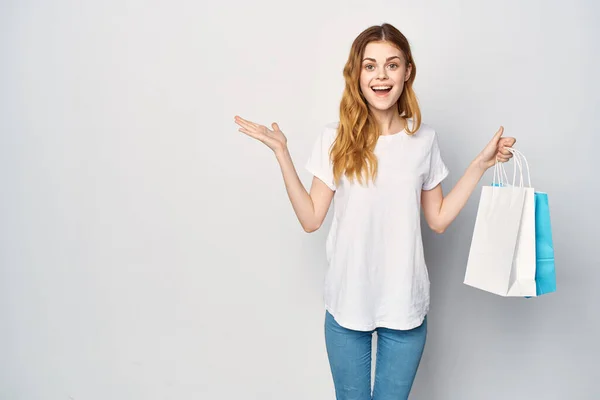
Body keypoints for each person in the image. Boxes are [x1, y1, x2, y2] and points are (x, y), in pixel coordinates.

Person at [234, 23, 515, 400]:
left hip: (405, 305)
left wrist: (480, 165)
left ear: (407, 73)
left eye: (391, 65)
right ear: (357, 73)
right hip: (348, 303)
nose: (381, 75)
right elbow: (311, 218)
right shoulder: (335, 138)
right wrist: (282, 153)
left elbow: (439, 219)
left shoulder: (423, 141)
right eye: (370, 66)